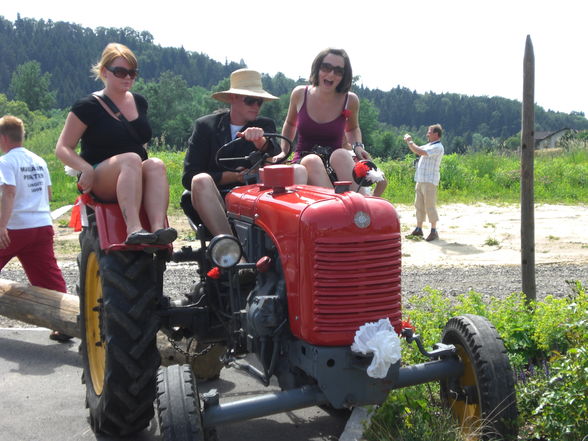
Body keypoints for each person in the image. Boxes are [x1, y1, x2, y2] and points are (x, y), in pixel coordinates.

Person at [55, 42, 176, 245]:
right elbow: (62, 147)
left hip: (133, 170)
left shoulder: (139, 102)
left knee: (155, 164)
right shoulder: (88, 106)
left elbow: (140, 141)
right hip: (100, 175)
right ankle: (134, 228)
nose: (128, 77)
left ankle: (158, 229)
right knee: (130, 159)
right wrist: (85, 168)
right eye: (120, 72)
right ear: (104, 72)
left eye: (132, 72)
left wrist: (141, 163)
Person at [182, 68, 307, 236]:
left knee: (297, 170)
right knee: (200, 180)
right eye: (250, 101)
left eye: (259, 102)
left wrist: (260, 143)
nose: (256, 106)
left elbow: (276, 158)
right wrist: (234, 176)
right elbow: (189, 175)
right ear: (233, 98)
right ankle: (230, 247)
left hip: (258, 195)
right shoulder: (206, 126)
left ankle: (291, 240)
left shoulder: (265, 125)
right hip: (216, 194)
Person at [0, 115, 72, 342]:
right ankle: (64, 325)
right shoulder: (39, 160)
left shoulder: (6, 161)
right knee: (49, 278)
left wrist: (2, 225)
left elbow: (9, 192)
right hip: (41, 224)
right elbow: (48, 194)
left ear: (3, 138)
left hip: (16, 227)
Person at [278, 48, 386, 197]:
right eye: (326, 67)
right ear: (317, 68)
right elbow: (290, 124)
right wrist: (284, 151)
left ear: (344, 76)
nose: (331, 74)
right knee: (312, 161)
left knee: (341, 154)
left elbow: (353, 128)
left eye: (338, 71)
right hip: (304, 158)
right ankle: (340, 209)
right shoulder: (299, 94)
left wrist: (358, 147)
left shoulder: (351, 100)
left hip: (334, 159)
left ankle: (363, 205)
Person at [404, 124, 445, 241]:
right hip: (421, 179)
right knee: (419, 205)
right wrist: (410, 143)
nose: (427, 134)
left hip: (429, 181)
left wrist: (410, 141)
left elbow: (420, 151)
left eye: (429, 132)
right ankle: (419, 228)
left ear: (436, 134)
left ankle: (433, 230)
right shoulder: (430, 145)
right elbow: (416, 149)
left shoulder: (438, 147)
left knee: (430, 205)